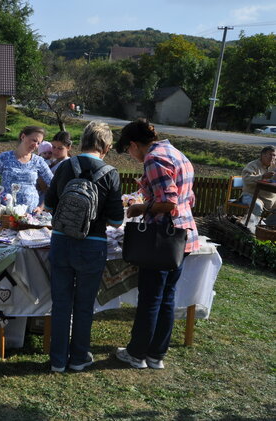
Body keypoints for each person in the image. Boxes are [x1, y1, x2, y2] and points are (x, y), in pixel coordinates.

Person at [113, 118, 199, 370]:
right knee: (167, 298)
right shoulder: (177, 154)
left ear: (133, 144)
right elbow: (188, 198)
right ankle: (156, 355)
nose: (131, 156)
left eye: (128, 151)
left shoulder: (154, 158)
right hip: (182, 237)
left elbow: (168, 202)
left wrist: (142, 207)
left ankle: (137, 354)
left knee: (151, 298)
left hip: (162, 238)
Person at [44, 120, 123, 373]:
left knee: (61, 303)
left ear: (82, 141)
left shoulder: (65, 166)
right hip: (93, 245)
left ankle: (57, 359)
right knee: (84, 304)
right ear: (106, 147)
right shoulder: (111, 173)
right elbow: (117, 220)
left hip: (62, 241)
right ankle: (78, 358)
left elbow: (49, 206)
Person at [0, 126, 53, 213]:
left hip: (30, 214)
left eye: (39, 143)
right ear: (23, 137)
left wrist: (41, 207)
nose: (36, 145)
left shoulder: (39, 161)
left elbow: (53, 184)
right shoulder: (4, 157)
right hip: (7, 212)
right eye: (34, 140)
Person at [239, 146, 276, 229]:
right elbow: (246, 179)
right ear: (263, 155)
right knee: (257, 206)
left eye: (274, 155)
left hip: (270, 199)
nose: (272, 158)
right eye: (270, 155)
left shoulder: (274, 166)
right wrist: (262, 176)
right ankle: (251, 229)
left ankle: (266, 227)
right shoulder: (252, 165)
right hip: (250, 195)